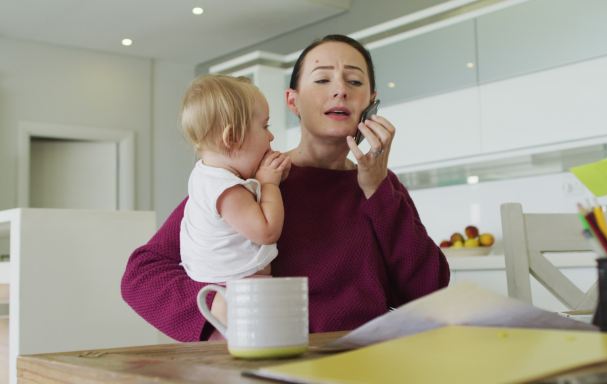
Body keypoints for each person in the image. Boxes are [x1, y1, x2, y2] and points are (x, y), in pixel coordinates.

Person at [121, 34, 450, 342]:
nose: (340, 91)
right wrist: (223, 311)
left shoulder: (382, 186)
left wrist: (377, 188)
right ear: (293, 101)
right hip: (275, 363)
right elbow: (142, 276)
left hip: (365, 364)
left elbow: (428, 290)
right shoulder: (257, 179)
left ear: (371, 102)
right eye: (322, 79)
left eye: (354, 81)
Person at [178, 75, 289, 286]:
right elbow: (267, 231)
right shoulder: (226, 190)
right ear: (232, 138)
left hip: (229, 285)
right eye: (265, 126)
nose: (271, 137)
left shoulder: (205, 176)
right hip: (238, 288)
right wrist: (269, 184)